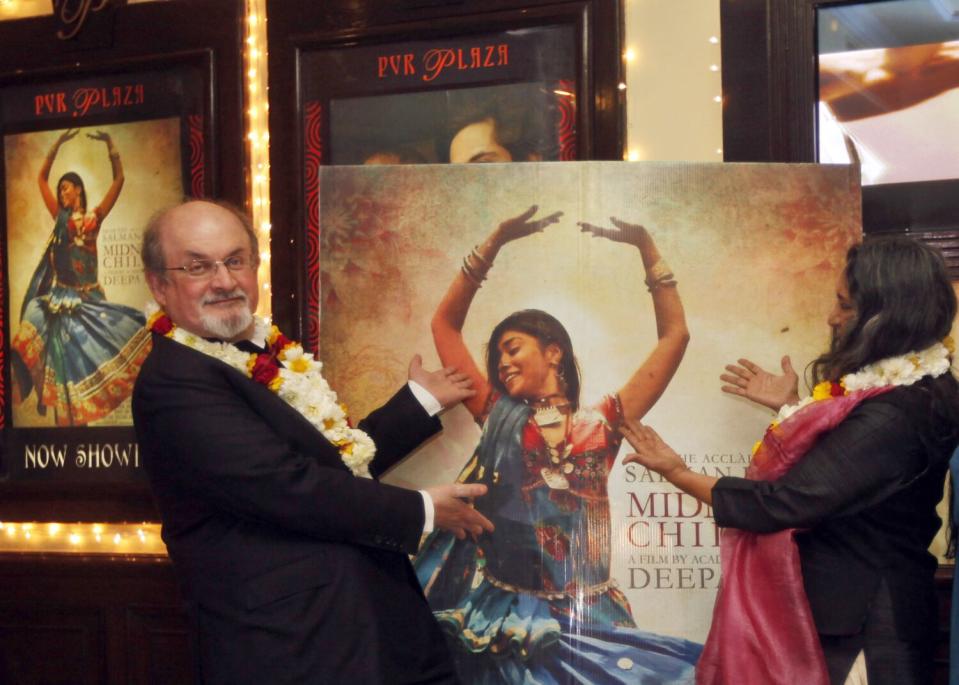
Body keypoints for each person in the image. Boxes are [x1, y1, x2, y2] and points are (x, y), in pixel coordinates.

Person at [132, 199, 497, 685]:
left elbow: (331, 462)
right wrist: (423, 511)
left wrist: (419, 402)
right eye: (198, 266)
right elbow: (286, 485)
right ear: (159, 284)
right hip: (290, 649)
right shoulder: (174, 382)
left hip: (361, 630)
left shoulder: (257, 350)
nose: (223, 280)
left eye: (235, 260)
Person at [623, 237, 959, 684]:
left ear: (886, 314)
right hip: (855, 617)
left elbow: (783, 502)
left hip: (866, 628)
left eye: (845, 305)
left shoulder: (897, 411)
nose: (832, 318)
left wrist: (676, 471)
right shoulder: (904, 393)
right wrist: (793, 407)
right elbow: (851, 471)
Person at [414, 206, 702, 683]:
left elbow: (676, 335)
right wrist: (494, 243)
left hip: (588, 614)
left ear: (554, 351)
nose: (502, 364)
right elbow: (445, 325)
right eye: (497, 356)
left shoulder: (604, 423)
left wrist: (647, 248)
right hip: (506, 618)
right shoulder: (497, 414)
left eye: (513, 348)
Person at [11, 127, 148, 425]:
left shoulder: (93, 219)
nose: (62, 192)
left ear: (79, 190)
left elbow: (119, 181)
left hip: (91, 303)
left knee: (86, 373)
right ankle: (65, 438)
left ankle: (81, 439)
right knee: (61, 376)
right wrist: (56, 145)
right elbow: (40, 180)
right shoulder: (60, 220)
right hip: (62, 305)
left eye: (67, 187)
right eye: (60, 189)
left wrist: (112, 146)